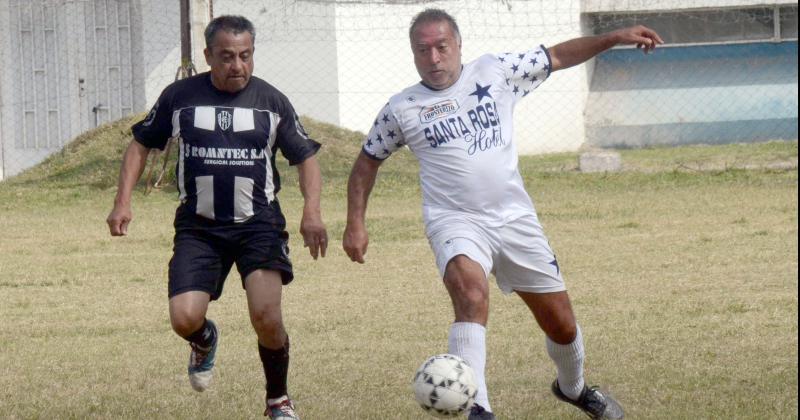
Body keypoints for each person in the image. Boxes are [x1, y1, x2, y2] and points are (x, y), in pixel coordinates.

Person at [342, 8, 663, 420]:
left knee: (562, 326)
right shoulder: (401, 108)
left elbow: (557, 56)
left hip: (514, 219)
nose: (434, 58)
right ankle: (479, 409)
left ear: (458, 45)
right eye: (423, 50)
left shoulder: (495, 71)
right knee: (471, 294)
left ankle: (574, 387)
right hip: (454, 220)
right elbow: (367, 161)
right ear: (413, 54)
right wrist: (355, 222)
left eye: (442, 47)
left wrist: (614, 36)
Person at [106, 15, 327, 420]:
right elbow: (141, 142)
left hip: (258, 224)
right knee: (183, 317)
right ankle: (204, 339)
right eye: (226, 57)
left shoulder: (271, 102)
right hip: (199, 228)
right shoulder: (180, 97)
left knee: (266, 316)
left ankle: (277, 400)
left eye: (245, 56)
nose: (237, 65)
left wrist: (311, 211)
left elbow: (306, 156)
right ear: (208, 55)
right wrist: (123, 201)